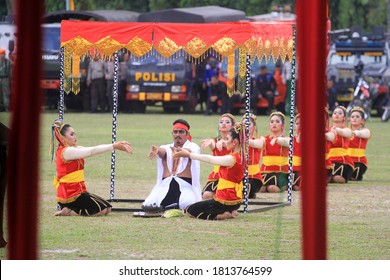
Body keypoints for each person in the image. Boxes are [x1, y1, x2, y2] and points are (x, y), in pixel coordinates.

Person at [50, 119, 133, 216]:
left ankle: (69, 210)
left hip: (79, 192)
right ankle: (69, 211)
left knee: (108, 208)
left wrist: (115, 145)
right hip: (69, 195)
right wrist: (114, 146)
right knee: (100, 211)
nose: (75, 137)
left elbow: (92, 149)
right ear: (62, 137)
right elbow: (91, 152)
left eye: (75, 134)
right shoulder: (66, 151)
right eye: (71, 134)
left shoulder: (74, 149)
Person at [174, 123, 246, 220]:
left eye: (227, 139)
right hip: (236, 201)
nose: (225, 142)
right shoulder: (242, 157)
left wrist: (189, 155)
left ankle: (221, 215)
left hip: (224, 201)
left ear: (235, 142)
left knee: (190, 210)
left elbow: (210, 159)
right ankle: (231, 210)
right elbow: (225, 144)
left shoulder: (231, 158)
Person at [143, 119, 201, 211]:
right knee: (148, 204)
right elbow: (163, 152)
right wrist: (157, 150)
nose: (178, 135)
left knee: (188, 204)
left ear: (187, 134)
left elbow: (190, 152)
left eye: (181, 132)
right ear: (172, 134)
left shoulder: (193, 146)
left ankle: (172, 205)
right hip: (165, 185)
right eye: (175, 132)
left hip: (185, 185)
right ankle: (172, 205)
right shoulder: (166, 147)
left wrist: (181, 151)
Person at [200, 113, 236, 199]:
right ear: (219, 127)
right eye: (221, 122)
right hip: (217, 175)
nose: (224, 124)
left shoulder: (235, 141)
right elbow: (213, 145)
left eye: (227, 122)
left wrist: (224, 143)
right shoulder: (214, 140)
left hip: (231, 175)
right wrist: (211, 143)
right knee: (206, 195)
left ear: (232, 126)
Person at [260, 111, 289, 192]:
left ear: (282, 126)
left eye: (277, 121)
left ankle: (283, 186)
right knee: (261, 188)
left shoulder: (287, 139)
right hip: (265, 172)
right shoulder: (264, 139)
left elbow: (286, 142)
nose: (274, 124)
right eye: (272, 122)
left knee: (272, 188)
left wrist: (277, 139)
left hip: (281, 172)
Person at [326, 106, 354, 183]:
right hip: (329, 159)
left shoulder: (347, 130)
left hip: (343, 160)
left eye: (340, 113)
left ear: (344, 118)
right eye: (335, 113)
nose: (337, 114)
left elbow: (344, 133)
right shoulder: (327, 130)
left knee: (337, 178)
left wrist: (335, 130)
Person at [241, 113, 264, 198]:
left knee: (245, 190)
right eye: (243, 124)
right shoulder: (236, 141)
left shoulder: (259, 140)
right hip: (239, 174)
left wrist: (246, 140)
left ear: (254, 128)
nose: (245, 126)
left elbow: (256, 144)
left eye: (248, 124)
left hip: (254, 176)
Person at [348, 107, 371, 181]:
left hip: (359, 162)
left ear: (362, 121)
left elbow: (363, 134)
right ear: (350, 120)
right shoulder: (346, 131)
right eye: (352, 117)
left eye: (357, 117)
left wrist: (354, 133)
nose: (354, 118)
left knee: (352, 176)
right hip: (346, 160)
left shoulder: (366, 131)